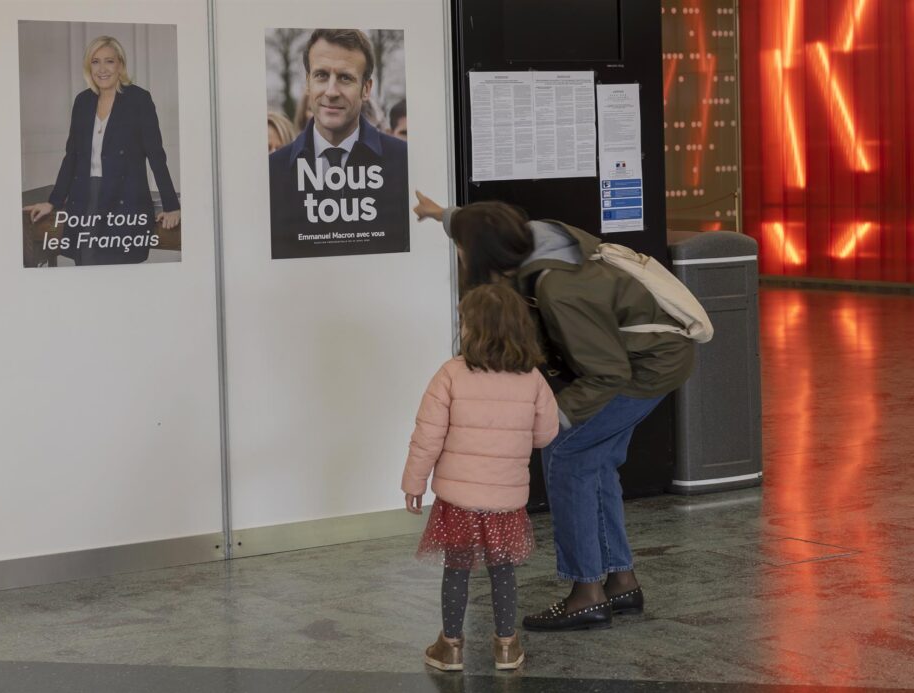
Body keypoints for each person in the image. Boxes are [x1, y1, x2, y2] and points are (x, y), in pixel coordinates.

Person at [413, 191, 695, 632]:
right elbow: (487, 224)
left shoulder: (559, 289)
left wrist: (546, 420)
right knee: (594, 462)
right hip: (647, 357)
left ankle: (586, 593)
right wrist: (440, 215)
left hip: (645, 367)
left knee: (566, 456)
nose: (462, 256)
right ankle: (620, 581)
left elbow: (608, 374)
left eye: (463, 249)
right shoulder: (534, 236)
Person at [402, 283, 559, 671]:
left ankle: (450, 646)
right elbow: (546, 435)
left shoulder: (450, 374)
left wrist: (414, 482)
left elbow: (427, 435)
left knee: (456, 568)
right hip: (505, 500)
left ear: (471, 328)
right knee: (502, 570)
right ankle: (506, 645)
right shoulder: (533, 379)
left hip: (458, 499)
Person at [24, 35, 180, 265]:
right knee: (86, 264)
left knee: (118, 269)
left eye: (109, 61)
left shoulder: (139, 99)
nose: (102, 69)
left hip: (124, 199)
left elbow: (156, 156)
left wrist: (171, 206)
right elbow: (72, 158)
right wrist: (53, 202)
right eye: (95, 62)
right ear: (89, 67)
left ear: (120, 64)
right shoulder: (82, 101)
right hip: (86, 197)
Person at [268, 29, 409, 259]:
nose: (331, 92)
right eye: (321, 75)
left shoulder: (404, 164)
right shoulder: (273, 172)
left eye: (345, 78)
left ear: (366, 89)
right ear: (307, 83)